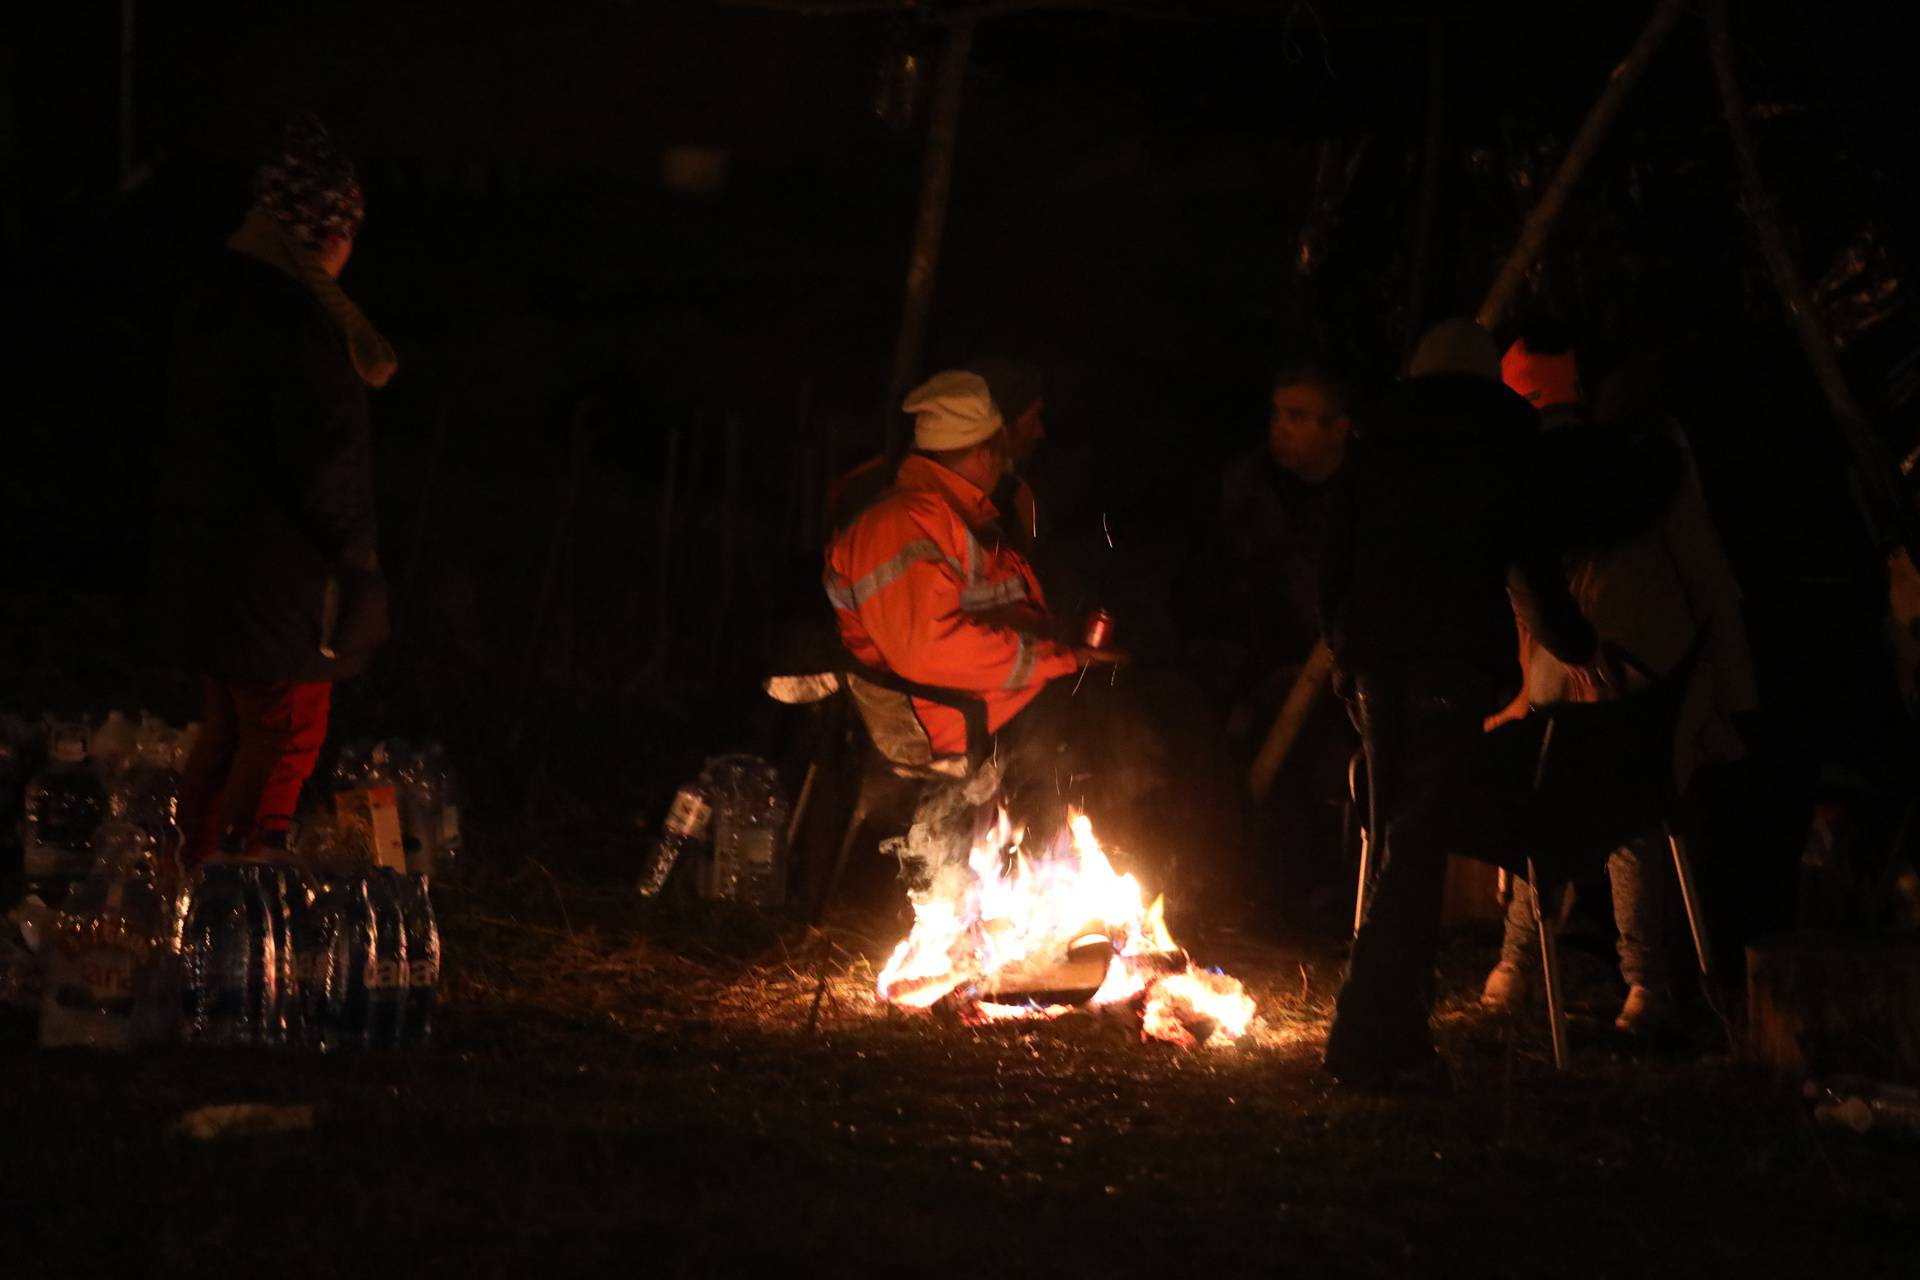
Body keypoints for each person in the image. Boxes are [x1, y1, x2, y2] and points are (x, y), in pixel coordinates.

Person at [1318, 319, 1606, 1088]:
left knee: (1398, 838)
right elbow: (1529, 561)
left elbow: (1334, 557)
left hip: (1375, 662)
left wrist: (1344, 654)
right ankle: (1363, 1034)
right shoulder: (1500, 439)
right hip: (1450, 660)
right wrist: (1576, 643)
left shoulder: (1375, 440)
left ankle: (1397, 1030)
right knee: (1417, 842)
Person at [1481, 351, 1758, 1032]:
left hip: (1561, 687)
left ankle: (1512, 974)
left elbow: (1527, 602)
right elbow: (1711, 587)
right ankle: (1645, 987)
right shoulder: (1651, 480)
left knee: (1543, 822)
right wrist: (1729, 700)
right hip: (1642, 692)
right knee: (1630, 822)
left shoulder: (1526, 488)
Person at [163, 116, 393, 863]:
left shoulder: (222, 299)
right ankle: (228, 899)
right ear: (327, 231)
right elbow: (330, 465)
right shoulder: (302, 323)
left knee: (230, 733)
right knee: (284, 737)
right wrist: (357, 570)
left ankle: (183, 886)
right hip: (283, 588)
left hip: (218, 570)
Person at [824, 370, 1110, 766]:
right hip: (946, 722)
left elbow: (988, 610)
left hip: (977, 706)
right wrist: (1057, 658)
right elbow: (928, 651)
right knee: (1101, 724)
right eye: (1000, 453)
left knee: (1104, 705)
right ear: (983, 454)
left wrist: (1061, 641)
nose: (1004, 465)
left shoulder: (953, 517)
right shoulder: (900, 524)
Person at [1201, 364, 1355, 927]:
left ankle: (1318, 895)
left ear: (1339, 428)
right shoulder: (1250, 486)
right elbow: (1228, 587)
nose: (1280, 428)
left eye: (1298, 417)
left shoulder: (1359, 496)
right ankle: (1255, 891)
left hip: (1337, 665)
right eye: (1277, 414)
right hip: (1257, 661)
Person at [825, 356, 1048, 553]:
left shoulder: (1013, 497)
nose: (1040, 431)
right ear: (1000, 427)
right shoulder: (872, 493)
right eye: (1034, 415)